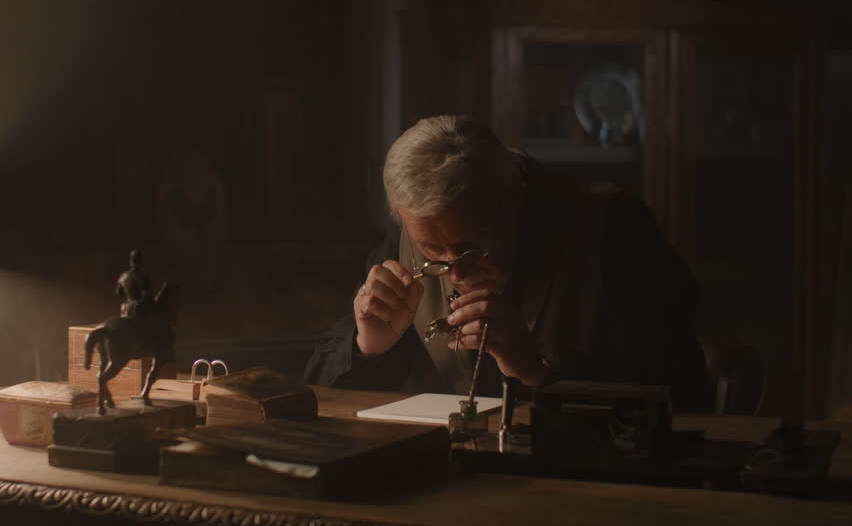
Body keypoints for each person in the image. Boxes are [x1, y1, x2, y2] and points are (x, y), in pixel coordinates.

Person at [303, 115, 712, 412]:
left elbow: (683, 393)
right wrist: (368, 349)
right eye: (432, 251)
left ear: (514, 197)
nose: (457, 274)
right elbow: (318, 389)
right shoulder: (409, 236)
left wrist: (537, 369)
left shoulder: (611, 229)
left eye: (472, 246)